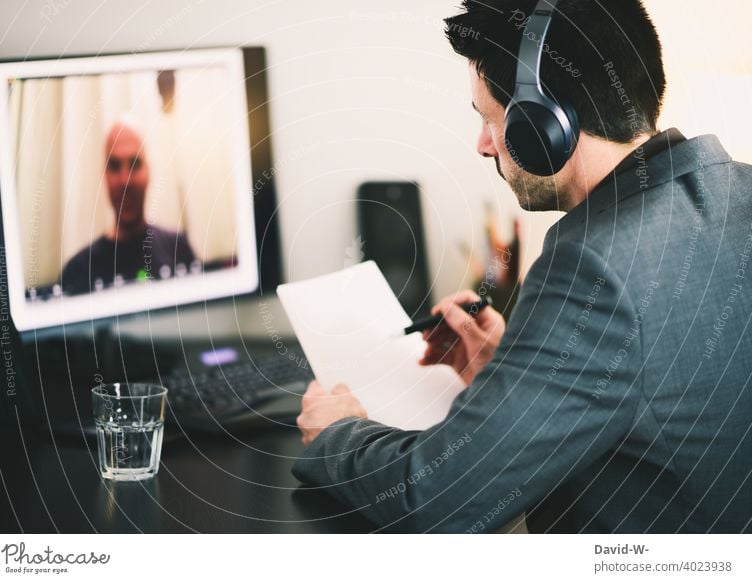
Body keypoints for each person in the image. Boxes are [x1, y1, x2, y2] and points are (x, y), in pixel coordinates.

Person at [291, 0, 752, 533]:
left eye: (490, 119)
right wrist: (515, 374)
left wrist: (339, 431)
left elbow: (435, 497)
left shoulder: (594, 267)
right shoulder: (734, 193)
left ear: (544, 124)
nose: (483, 144)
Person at [61, 120, 195, 294]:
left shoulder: (179, 250)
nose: (125, 181)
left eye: (134, 164)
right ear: (105, 176)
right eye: (115, 166)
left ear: (148, 172)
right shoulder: (78, 271)